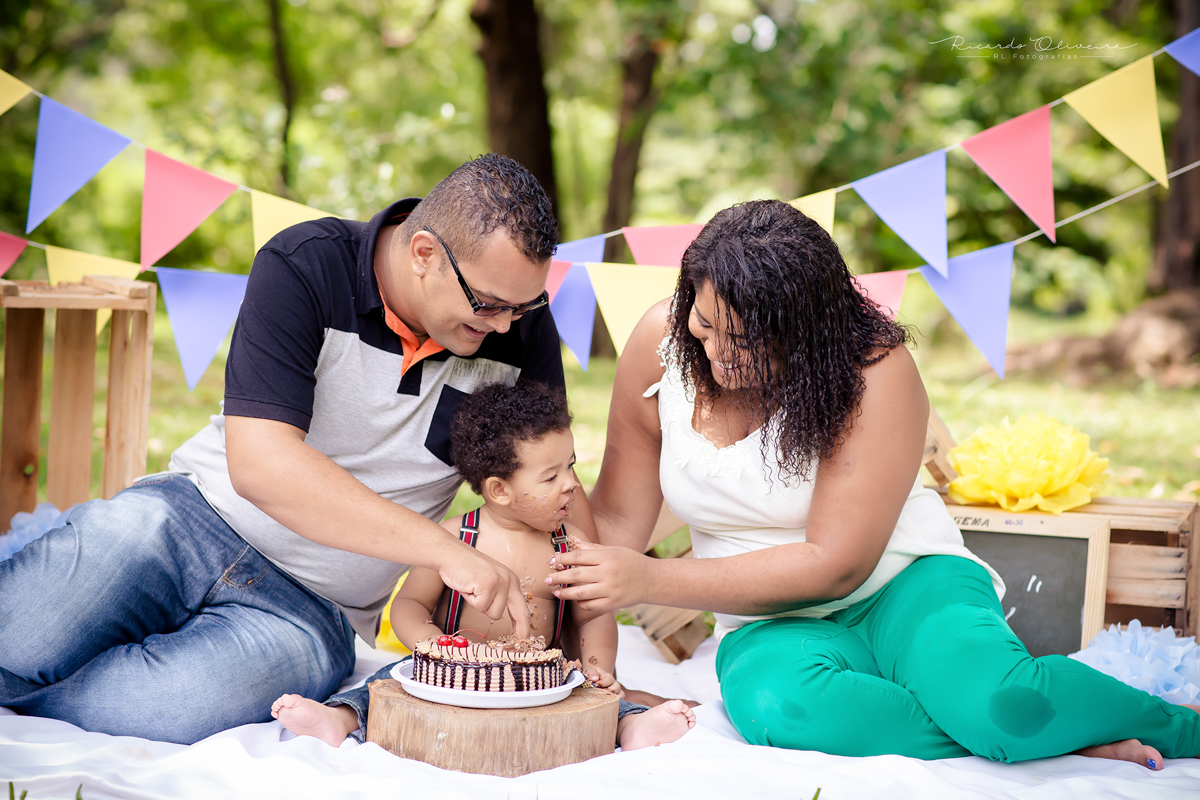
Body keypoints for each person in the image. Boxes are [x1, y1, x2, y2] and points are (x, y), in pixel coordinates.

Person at [549, 200, 1200, 768]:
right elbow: (613, 524)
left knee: (1000, 705)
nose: (718, 353)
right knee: (783, 711)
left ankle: (1166, 725)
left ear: (807, 334)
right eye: (706, 323)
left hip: (904, 584)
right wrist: (539, 499)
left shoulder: (873, 370)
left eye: (746, 340)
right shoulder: (657, 347)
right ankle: (1050, 735)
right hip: (765, 623)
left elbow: (835, 565)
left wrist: (646, 579)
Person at [0, 154, 576, 744]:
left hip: (313, 610)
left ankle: (20, 685)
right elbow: (262, 466)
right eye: (488, 303)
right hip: (184, 521)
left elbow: (549, 483)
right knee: (18, 634)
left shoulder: (522, 331)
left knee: (164, 710)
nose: (507, 326)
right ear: (425, 253)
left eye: (522, 306)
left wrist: (589, 639)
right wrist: (443, 549)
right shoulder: (306, 264)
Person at [272, 381, 695, 750]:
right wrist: (432, 645)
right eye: (551, 477)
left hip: (537, 681)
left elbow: (592, 618)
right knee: (387, 680)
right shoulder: (456, 540)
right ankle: (341, 720)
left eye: (569, 466)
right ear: (499, 490)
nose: (571, 483)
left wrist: (597, 666)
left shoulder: (571, 549)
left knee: (592, 694)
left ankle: (632, 726)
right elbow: (409, 606)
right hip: (449, 674)